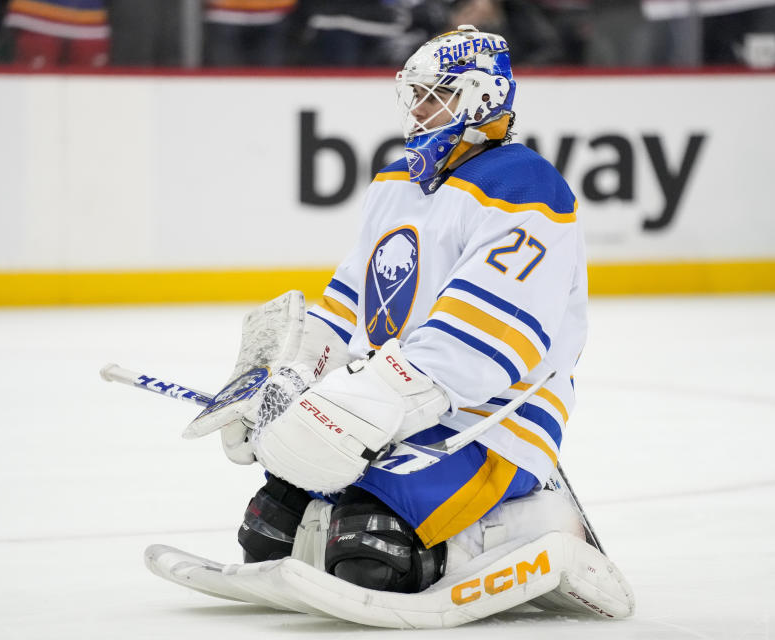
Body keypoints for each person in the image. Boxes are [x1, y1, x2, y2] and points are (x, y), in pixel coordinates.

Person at [189, 25, 590, 595]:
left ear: (482, 98)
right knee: (269, 531)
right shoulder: (395, 182)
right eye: (417, 94)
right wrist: (287, 379)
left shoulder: (524, 189)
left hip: (489, 422)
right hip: (390, 409)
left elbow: (485, 342)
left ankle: (528, 527)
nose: (421, 109)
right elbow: (350, 303)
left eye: (439, 94)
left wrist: (359, 400)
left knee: (369, 553)